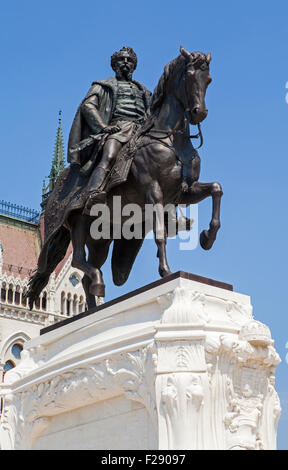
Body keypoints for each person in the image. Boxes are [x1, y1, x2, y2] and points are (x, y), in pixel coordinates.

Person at [67, 47, 151, 214]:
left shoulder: (145, 92)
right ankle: (94, 193)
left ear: (134, 66)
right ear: (114, 65)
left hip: (142, 132)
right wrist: (104, 127)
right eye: (122, 60)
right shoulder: (103, 86)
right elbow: (88, 106)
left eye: (130, 60)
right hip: (118, 129)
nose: (126, 63)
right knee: (110, 155)